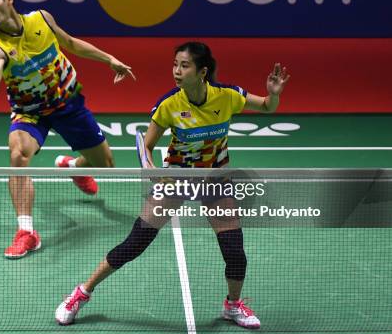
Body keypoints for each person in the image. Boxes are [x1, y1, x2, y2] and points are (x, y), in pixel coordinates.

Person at [55, 42, 290, 329]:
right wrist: (150, 168)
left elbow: (266, 106)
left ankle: (232, 305)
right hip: (176, 179)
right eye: (175, 64)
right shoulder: (169, 104)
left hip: (214, 180)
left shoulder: (227, 97)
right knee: (134, 244)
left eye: (184, 65)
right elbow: (146, 144)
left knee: (234, 249)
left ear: (202, 72)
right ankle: (81, 293)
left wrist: (273, 95)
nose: (176, 71)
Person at [0, 0, 135, 259]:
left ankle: (74, 167)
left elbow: (70, 42)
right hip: (30, 113)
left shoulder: (41, 18)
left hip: (68, 104)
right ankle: (26, 232)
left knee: (105, 164)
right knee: (18, 154)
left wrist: (109, 59)